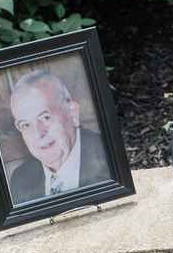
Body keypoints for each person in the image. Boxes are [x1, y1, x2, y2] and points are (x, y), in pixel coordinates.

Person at [8, 70, 109, 203]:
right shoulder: (20, 180)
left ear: (72, 113)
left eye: (45, 117)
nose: (38, 133)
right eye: (26, 124)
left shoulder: (108, 156)